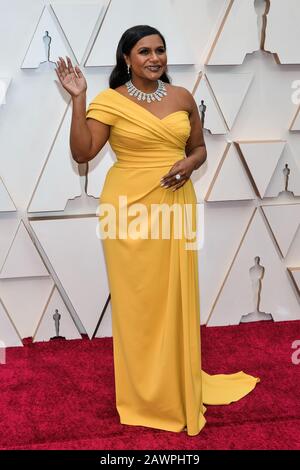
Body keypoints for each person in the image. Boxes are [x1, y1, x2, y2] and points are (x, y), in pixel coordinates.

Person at [54, 25, 260, 436]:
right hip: (127, 210)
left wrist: (190, 163)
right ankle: (143, 393)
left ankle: (176, 381)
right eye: (144, 51)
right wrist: (78, 99)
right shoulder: (110, 100)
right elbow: (82, 152)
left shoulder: (182, 97)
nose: (154, 58)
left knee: (174, 297)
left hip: (174, 203)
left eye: (160, 50)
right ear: (126, 59)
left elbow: (198, 148)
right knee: (137, 302)